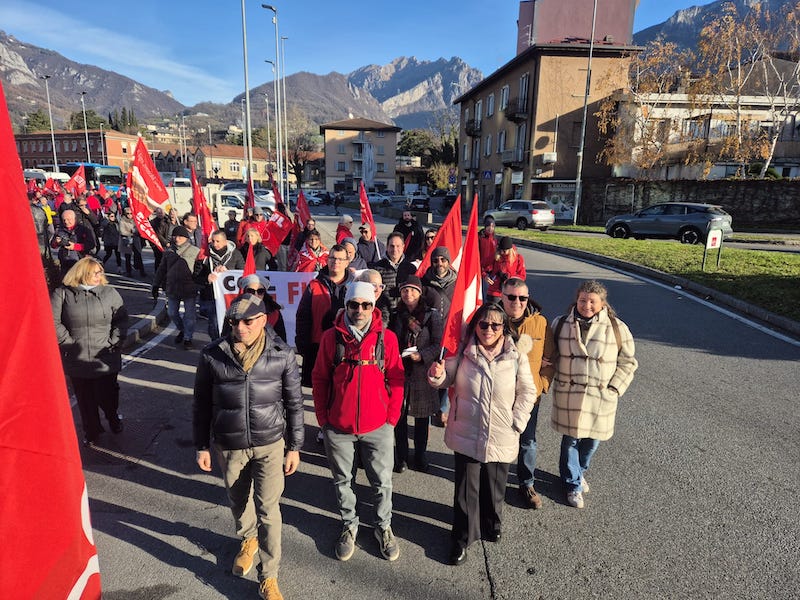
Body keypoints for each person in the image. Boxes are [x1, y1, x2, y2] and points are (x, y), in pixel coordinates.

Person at [193, 294, 303, 600]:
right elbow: (201, 404)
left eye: (247, 321)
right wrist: (201, 445)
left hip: (270, 444)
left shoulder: (281, 354)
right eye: (234, 322)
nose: (240, 327)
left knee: (269, 509)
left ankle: (269, 576)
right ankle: (248, 540)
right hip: (230, 445)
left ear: (263, 321)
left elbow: (295, 404)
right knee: (239, 502)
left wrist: (294, 446)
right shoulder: (212, 354)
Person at [427, 303, 537, 565]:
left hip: (502, 431)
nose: (489, 329)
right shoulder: (463, 351)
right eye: (483, 324)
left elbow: (528, 391)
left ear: (504, 328)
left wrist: (517, 422)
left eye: (495, 325)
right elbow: (445, 379)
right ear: (475, 325)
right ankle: (462, 538)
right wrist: (436, 375)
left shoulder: (516, 355)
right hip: (467, 430)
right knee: (466, 490)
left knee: (494, 486)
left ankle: (492, 523)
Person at [312, 281, 405, 562]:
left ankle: (383, 527)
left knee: (382, 481)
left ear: (373, 306)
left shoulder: (386, 339)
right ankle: (349, 524)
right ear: (346, 306)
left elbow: (397, 378)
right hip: (338, 427)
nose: (360, 310)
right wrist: (323, 419)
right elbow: (319, 379)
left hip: (378, 426)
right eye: (354, 304)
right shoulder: (332, 338)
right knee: (343, 480)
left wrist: (391, 418)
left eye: (366, 305)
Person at [551, 280, 638, 509]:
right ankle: (573, 485)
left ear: (601, 304)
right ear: (576, 300)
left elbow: (629, 362)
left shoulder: (618, 328)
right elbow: (549, 355)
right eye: (582, 300)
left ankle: (578, 471)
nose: (586, 305)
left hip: (601, 398)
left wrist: (615, 388)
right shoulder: (560, 324)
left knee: (592, 442)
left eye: (592, 301)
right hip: (570, 394)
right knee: (570, 441)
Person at [51, 257, 128, 446]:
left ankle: (112, 416)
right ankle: (91, 430)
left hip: (105, 355)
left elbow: (121, 319)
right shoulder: (62, 294)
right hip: (77, 355)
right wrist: (68, 343)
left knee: (107, 394)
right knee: (85, 398)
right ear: (82, 273)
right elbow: (53, 321)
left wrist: (115, 340)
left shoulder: (110, 293)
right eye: (95, 272)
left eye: (100, 272)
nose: (99, 276)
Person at [500, 277, 555, 509]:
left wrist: (541, 385)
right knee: (499, 441)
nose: (517, 302)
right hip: (499, 395)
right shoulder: (493, 321)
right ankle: (495, 481)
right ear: (502, 297)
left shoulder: (540, 324)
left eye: (522, 297)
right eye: (511, 297)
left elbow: (550, 360)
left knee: (527, 442)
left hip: (529, 397)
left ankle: (526, 483)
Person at [389, 276, 443, 473]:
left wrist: (422, 356)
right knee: (399, 417)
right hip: (400, 371)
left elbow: (438, 344)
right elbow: (390, 341)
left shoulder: (431, 316)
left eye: (412, 290)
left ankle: (420, 455)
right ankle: (401, 457)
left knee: (422, 419)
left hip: (422, 372)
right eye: (404, 290)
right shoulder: (396, 314)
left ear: (420, 292)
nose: (408, 294)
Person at [295, 244, 353, 387]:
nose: (336, 262)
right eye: (332, 258)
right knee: (319, 390)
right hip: (318, 345)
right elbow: (303, 317)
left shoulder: (354, 286)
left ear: (347, 262)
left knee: (342, 391)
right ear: (327, 260)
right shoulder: (314, 285)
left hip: (346, 348)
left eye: (340, 259)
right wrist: (302, 343)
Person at [152, 225, 202, 349]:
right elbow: (161, 269)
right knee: (172, 313)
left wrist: (201, 283)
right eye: (175, 236)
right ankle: (183, 329)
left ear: (186, 237)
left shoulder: (195, 251)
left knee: (189, 315)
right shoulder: (168, 252)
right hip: (172, 287)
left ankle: (188, 338)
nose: (177, 238)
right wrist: (155, 285)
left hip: (189, 287)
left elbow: (201, 270)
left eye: (180, 236)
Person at [199, 230, 245, 339]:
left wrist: (228, 271)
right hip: (211, 296)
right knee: (214, 324)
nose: (215, 244)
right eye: (213, 241)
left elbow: (242, 271)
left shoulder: (235, 254)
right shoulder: (205, 254)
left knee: (231, 324)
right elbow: (196, 276)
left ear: (225, 242)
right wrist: (207, 278)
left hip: (230, 297)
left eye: (218, 241)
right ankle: (215, 345)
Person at [374, 232, 417, 313]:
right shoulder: (377, 268)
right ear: (387, 247)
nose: (395, 250)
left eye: (398, 246)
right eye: (392, 246)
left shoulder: (411, 268)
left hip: (405, 312)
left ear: (403, 247)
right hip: (384, 312)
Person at [235, 274, 287, 342]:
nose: (256, 295)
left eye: (260, 291)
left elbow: (281, 341)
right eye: (251, 291)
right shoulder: (234, 311)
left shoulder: (274, 313)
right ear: (245, 292)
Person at [52, 209, 96, 275]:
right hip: (64, 260)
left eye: (69, 219)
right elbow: (53, 245)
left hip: (80, 260)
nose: (66, 222)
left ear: (75, 219)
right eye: (64, 220)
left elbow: (91, 244)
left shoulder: (84, 229)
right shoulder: (60, 229)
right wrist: (56, 242)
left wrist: (75, 247)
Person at [486, 236, 526, 300]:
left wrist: (509, 277)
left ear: (510, 249)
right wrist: (486, 276)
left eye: (504, 251)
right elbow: (483, 267)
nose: (502, 252)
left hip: (510, 292)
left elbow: (522, 276)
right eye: (500, 250)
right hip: (494, 292)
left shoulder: (518, 258)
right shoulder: (495, 256)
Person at [118, 206, 146, 277]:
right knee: (128, 257)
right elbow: (122, 231)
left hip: (136, 239)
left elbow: (139, 229)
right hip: (127, 239)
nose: (130, 215)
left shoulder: (135, 220)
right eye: (128, 213)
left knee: (138, 255)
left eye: (131, 213)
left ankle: (142, 271)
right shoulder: (122, 221)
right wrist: (131, 232)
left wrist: (135, 231)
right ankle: (129, 272)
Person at [478, 216, 497, 289]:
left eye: (492, 226)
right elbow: (476, 257)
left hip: (491, 271)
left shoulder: (494, 239)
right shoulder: (480, 238)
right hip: (481, 271)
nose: (490, 228)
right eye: (488, 226)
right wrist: (482, 273)